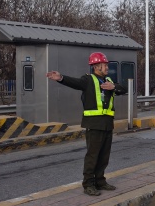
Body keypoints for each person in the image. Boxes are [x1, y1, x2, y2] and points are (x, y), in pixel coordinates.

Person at [46, 52, 126, 196]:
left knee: (104, 156)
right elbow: (75, 82)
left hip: (107, 124)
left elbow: (123, 89)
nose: (107, 67)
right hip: (94, 124)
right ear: (96, 66)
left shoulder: (108, 80)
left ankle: (100, 181)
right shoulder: (88, 80)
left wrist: (113, 86)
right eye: (104, 65)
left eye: (107, 65)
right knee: (92, 156)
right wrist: (61, 78)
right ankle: (88, 184)